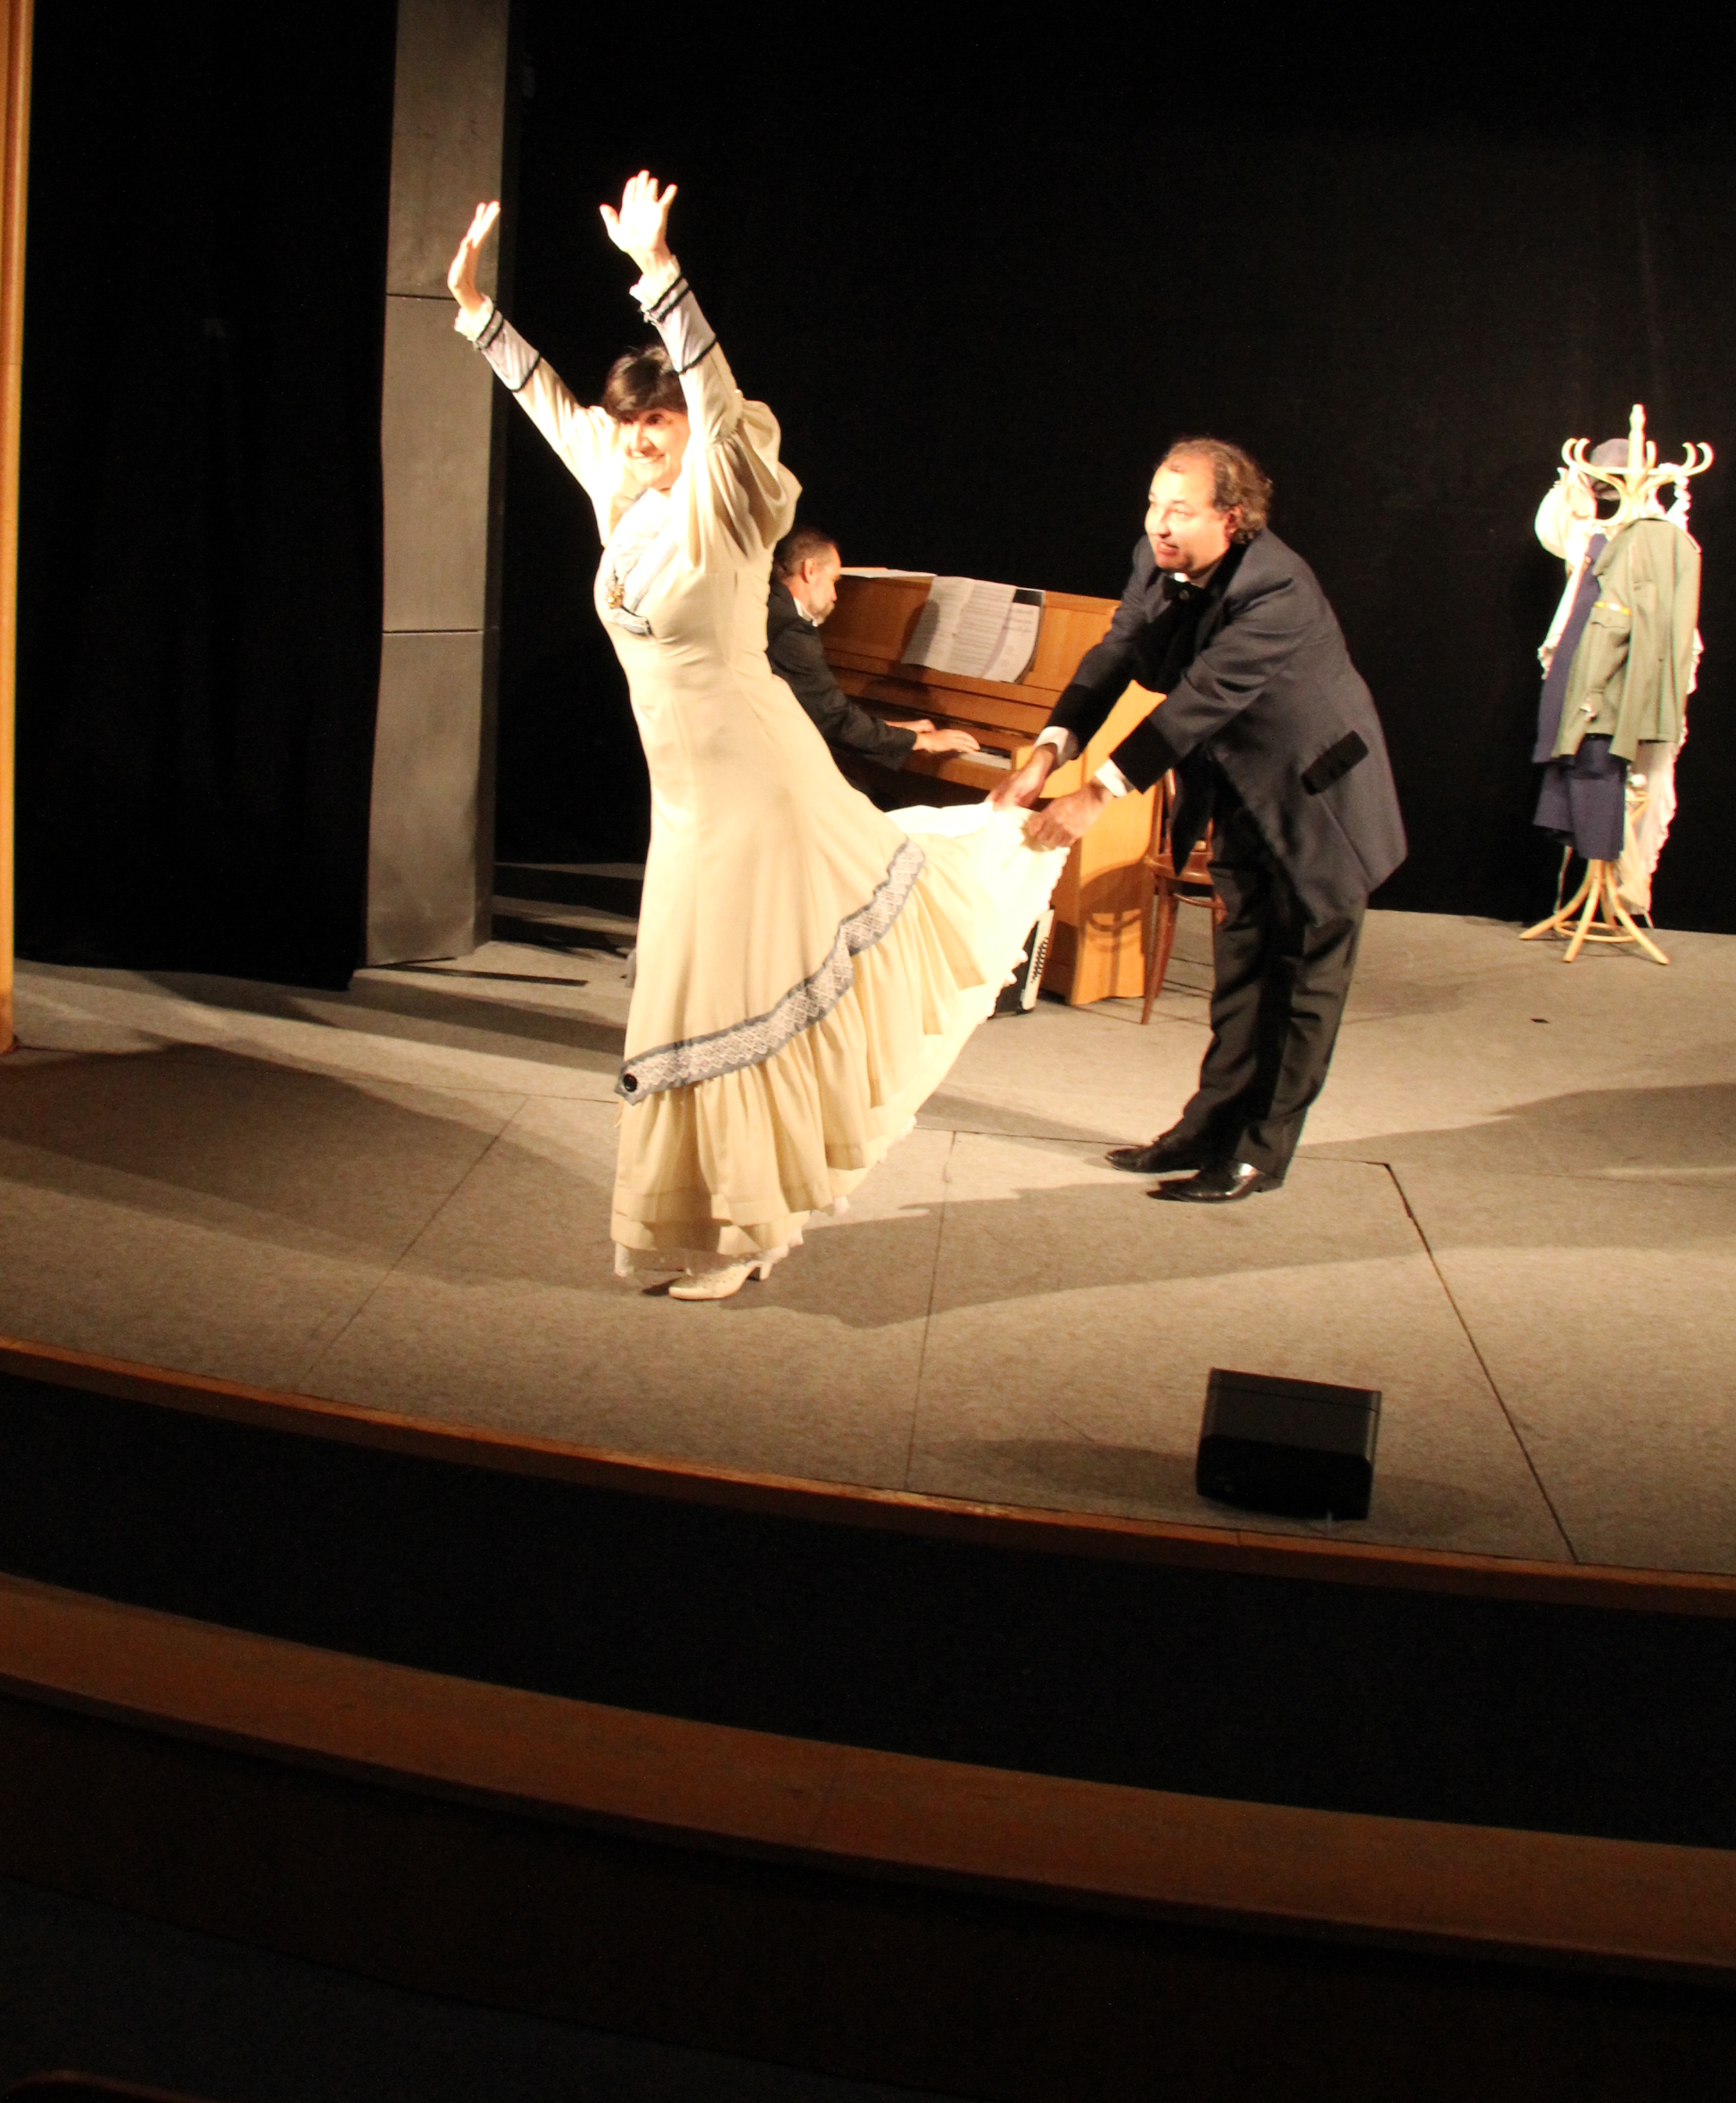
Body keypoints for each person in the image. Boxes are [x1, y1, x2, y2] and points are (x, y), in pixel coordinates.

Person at [447, 175, 1063, 1298]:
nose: (639, 436)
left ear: (692, 425)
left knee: (743, 1004)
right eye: (629, 420)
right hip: (688, 805)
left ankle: (747, 1235)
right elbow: (551, 406)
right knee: (691, 1008)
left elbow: (722, 406)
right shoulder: (625, 496)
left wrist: (660, 275)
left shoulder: (725, 499)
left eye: (659, 418)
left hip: (758, 786)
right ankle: (721, 1221)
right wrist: (476, 309)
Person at [994, 439, 1404, 1203]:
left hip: (1320, 804)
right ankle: (1207, 1127)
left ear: (1233, 517)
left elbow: (1201, 699)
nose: (1159, 523)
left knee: (1301, 985)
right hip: (1240, 792)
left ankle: (1258, 1152)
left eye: (1180, 510)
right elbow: (1118, 649)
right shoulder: (1155, 560)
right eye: (1154, 504)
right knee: (1242, 974)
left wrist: (1095, 795)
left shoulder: (1277, 585)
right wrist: (1050, 752)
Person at [767, 526, 983, 771]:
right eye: (833, 581)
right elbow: (836, 720)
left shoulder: (771, 607)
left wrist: (889, 729)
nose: (835, 595)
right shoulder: (790, 630)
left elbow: (829, 714)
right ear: (810, 570)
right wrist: (923, 740)